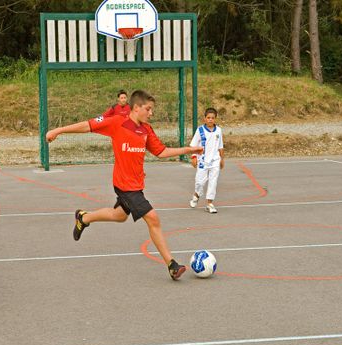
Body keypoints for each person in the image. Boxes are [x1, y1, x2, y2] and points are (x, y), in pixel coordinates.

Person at [46, 90, 203, 280]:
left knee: (119, 215)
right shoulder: (116, 122)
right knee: (153, 218)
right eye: (148, 109)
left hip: (136, 185)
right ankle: (171, 264)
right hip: (124, 185)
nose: (151, 113)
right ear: (136, 108)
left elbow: (161, 151)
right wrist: (58, 131)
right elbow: (86, 125)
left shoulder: (146, 130)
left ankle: (84, 218)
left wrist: (188, 149)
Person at [189, 107, 224, 213]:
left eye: (212, 118)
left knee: (213, 182)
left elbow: (220, 146)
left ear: (215, 119)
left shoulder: (218, 130)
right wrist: (194, 157)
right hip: (203, 161)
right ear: (204, 118)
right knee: (199, 182)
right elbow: (193, 145)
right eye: (208, 117)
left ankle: (209, 203)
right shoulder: (200, 130)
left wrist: (222, 159)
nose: (210, 120)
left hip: (215, 161)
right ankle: (196, 194)